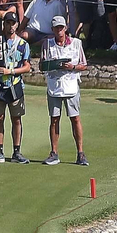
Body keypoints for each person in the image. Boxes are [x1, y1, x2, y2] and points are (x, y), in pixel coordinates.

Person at [40, 15, 88, 166]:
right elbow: (41, 66)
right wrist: (54, 65)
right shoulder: (47, 44)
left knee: (75, 118)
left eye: (61, 28)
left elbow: (83, 65)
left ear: (65, 28)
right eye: (56, 28)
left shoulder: (76, 43)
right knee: (54, 119)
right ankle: (54, 153)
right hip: (54, 85)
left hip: (71, 85)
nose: (59, 31)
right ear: (53, 29)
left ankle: (80, 153)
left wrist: (72, 67)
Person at [0, 15, 32, 164]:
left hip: (15, 85)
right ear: (4, 24)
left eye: (13, 23)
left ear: (17, 25)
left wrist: (10, 72)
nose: (10, 26)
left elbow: (27, 67)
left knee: (16, 119)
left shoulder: (23, 44)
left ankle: (16, 152)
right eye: (8, 23)